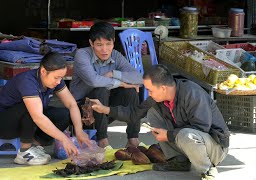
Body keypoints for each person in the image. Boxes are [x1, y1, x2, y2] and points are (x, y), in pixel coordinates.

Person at [91, 64, 230, 180]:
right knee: (153, 113)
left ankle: (207, 169)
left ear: (163, 88)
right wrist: (105, 109)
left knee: (186, 134)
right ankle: (179, 161)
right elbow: (135, 113)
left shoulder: (192, 93)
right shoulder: (158, 97)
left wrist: (169, 135)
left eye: (150, 90)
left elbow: (201, 128)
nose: (149, 94)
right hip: (187, 141)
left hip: (214, 147)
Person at [0, 52, 92, 166]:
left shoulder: (55, 80)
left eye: (61, 78)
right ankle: (24, 153)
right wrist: (64, 139)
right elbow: (37, 117)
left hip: (27, 121)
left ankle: (35, 146)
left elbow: (72, 104)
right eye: (56, 77)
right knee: (30, 109)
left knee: (64, 114)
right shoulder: (27, 81)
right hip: (2, 123)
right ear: (43, 71)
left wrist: (79, 131)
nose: (59, 81)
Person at [69, 21, 143, 148]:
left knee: (131, 92)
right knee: (101, 90)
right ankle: (102, 140)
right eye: (99, 45)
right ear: (91, 43)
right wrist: (121, 83)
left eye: (108, 44)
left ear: (113, 41)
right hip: (81, 109)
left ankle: (133, 139)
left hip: (104, 109)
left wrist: (113, 73)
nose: (105, 49)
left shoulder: (115, 55)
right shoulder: (82, 55)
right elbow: (93, 81)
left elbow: (138, 78)